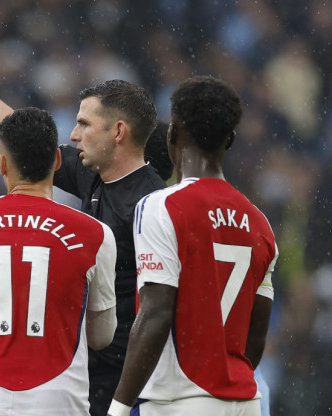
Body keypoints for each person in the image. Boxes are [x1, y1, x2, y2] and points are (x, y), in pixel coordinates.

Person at [0, 29, 167, 415]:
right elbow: (24, 142)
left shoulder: (152, 207)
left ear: (118, 132)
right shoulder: (94, 174)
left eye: (84, 124)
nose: (73, 134)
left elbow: (165, 304)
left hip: (124, 382)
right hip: (79, 372)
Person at [108, 76, 277, 416]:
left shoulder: (160, 206)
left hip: (181, 402)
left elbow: (155, 314)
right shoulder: (260, 223)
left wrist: (118, 408)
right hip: (245, 401)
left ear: (172, 135)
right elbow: (255, 336)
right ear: (229, 140)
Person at [0, 107, 117, 414]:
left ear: (2, 165)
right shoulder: (95, 234)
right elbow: (101, 337)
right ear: (59, 161)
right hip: (58, 403)